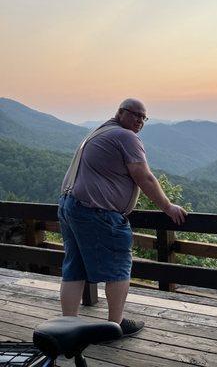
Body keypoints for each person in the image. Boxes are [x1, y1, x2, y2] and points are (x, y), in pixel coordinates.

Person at [58, 98, 187, 337]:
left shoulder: (98, 132)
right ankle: (114, 326)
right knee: (118, 266)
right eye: (135, 115)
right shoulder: (126, 137)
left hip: (70, 206)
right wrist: (167, 207)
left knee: (74, 267)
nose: (139, 121)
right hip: (96, 212)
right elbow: (143, 176)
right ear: (120, 112)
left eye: (143, 117)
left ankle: (67, 326)